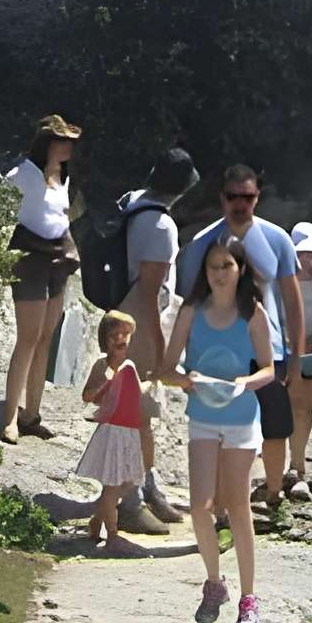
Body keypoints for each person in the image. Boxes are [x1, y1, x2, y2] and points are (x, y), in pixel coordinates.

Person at [174, 164, 307, 511]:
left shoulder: (277, 239)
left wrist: (296, 356)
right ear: (223, 198)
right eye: (233, 197)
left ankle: (274, 495)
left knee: (275, 425)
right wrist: (184, 361)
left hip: (269, 347)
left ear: (257, 197)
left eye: (247, 197)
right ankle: (221, 507)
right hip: (218, 351)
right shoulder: (203, 244)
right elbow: (190, 301)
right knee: (221, 429)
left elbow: (292, 301)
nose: (240, 204)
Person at [162, 230, 277, 623]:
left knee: (239, 506)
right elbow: (165, 369)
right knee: (200, 506)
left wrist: (245, 382)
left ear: (240, 268)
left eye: (227, 265)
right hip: (203, 416)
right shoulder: (192, 311)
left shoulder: (253, 313)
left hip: (241, 418)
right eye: (213, 266)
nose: (219, 273)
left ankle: (249, 601)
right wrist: (185, 380)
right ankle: (214, 583)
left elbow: (269, 369)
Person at [116, 148, 197, 532]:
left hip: (125, 310)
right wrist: (161, 349)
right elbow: (150, 291)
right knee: (134, 413)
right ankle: (129, 501)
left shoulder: (134, 201)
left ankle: (148, 487)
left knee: (142, 413)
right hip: (142, 320)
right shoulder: (162, 227)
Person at [0, 113, 83, 443]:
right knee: (28, 338)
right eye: (63, 141)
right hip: (30, 257)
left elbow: (62, 217)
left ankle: (31, 414)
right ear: (48, 143)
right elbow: (2, 202)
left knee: (46, 337)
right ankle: (10, 417)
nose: (68, 147)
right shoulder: (24, 173)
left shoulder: (63, 176)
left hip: (57, 260)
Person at [75, 311, 147, 552]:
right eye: (116, 334)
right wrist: (107, 380)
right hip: (113, 431)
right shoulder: (103, 365)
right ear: (105, 339)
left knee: (126, 482)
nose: (122, 339)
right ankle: (112, 534)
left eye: (126, 334)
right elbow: (88, 395)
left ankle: (97, 520)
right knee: (113, 485)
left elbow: (135, 393)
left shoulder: (131, 364)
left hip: (130, 430)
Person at [283, 221, 312, 498]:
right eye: (301, 252)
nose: (306, 257)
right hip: (287, 348)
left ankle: (298, 467)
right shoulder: (284, 277)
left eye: (310, 252)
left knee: (305, 409)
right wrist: (293, 339)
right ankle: (283, 467)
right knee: (287, 406)